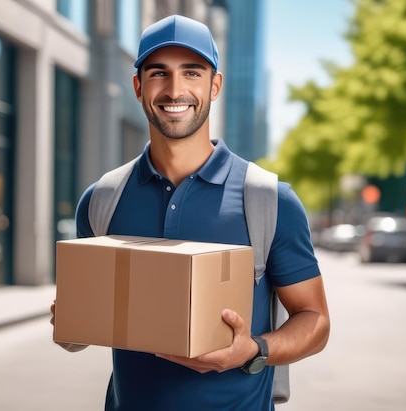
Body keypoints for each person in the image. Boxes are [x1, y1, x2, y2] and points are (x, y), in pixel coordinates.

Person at [50, 14, 330, 411]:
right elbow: (78, 331)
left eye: (192, 73)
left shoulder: (269, 200)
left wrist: (255, 350)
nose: (175, 89)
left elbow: (315, 320)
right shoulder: (103, 200)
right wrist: (72, 323)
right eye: (159, 73)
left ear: (214, 85)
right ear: (138, 86)